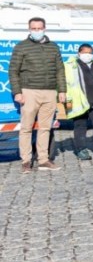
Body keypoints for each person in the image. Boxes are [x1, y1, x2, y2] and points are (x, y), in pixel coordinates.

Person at [10, 17, 67, 172]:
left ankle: (43, 160)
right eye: (33, 28)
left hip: (49, 92)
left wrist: (62, 90)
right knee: (26, 128)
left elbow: (60, 70)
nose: (36, 31)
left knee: (45, 128)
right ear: (29, 29)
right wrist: (17, 92)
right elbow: (13, 71)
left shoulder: (53, 47)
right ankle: (26, 161)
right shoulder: (21, 47)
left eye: (39, 28)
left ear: (44, 28)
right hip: (29, 91)